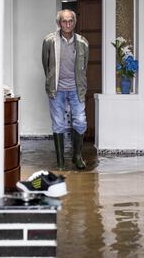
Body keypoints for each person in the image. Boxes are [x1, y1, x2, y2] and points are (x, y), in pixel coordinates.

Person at [42, 9, 89, 169]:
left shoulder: (82, 42)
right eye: (64, 21)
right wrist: (51, 81)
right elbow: (46, 65)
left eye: (70, 21)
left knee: (80, 121)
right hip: (57, 89)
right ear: (58, 23)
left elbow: (84, 67)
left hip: (76, 88)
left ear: (74, 22)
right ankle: (60, 161)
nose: (67, 24)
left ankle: (77, 156)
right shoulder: (49, 41)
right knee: (58, 123)